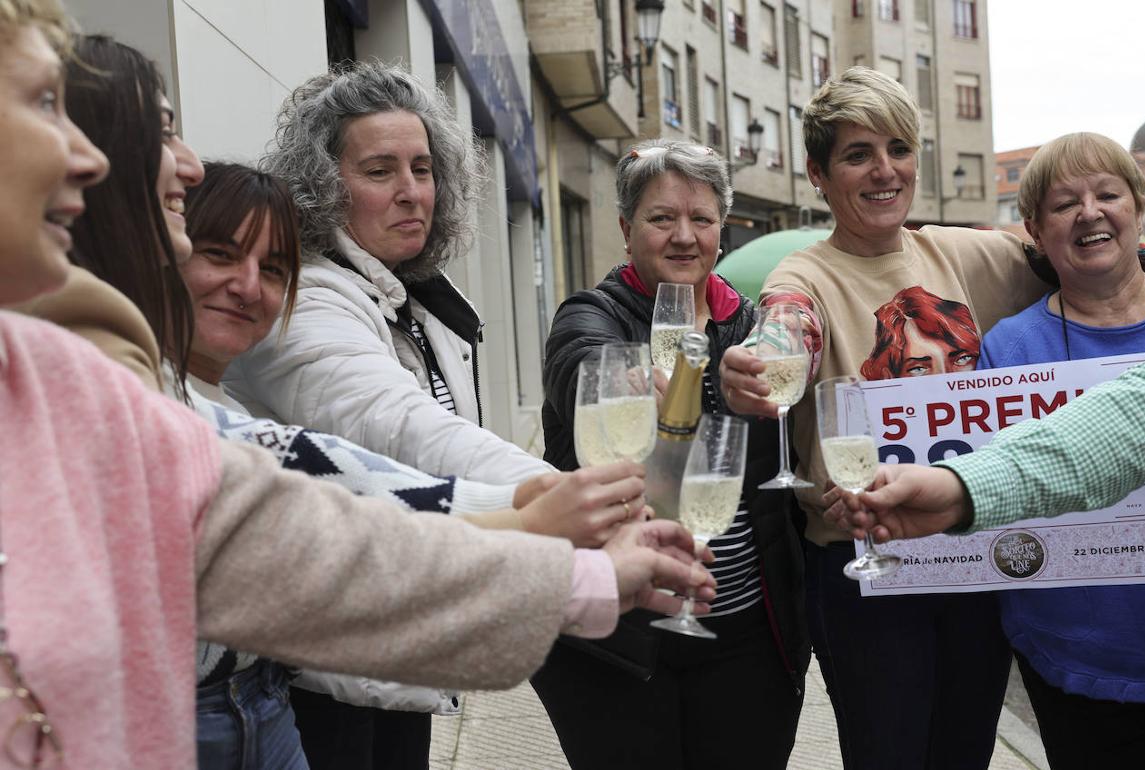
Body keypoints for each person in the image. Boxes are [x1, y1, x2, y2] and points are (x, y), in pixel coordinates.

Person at [0, 3, 716, 767]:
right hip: (312, 682)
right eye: (44, 104)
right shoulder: (298, 311)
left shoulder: (71, 367)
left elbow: (278, 517)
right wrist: (545, 511)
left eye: (423, 168)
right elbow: (366, 459)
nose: (188, 163)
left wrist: (555, 538)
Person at [717, 66, 1145, 769]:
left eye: (898, 149)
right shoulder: (804, 274)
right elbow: (790, 325)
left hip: (975, 561)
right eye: (856, 154)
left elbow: (1102, 244)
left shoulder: (969, 250)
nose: (884, 170)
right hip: (868, 563)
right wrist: (762, 360)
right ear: (817, 173)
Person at [218, 60, 630, 768]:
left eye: (423, 167)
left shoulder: (408, 292)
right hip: (321, 673)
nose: (413, 192)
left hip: (394, 653)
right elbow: (400, 427)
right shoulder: (308, 298)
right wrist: (553, 497)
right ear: (322, 186)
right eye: (380, 171)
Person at [972, 132, 1145, 768]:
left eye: (1107, 194)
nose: (1089, 212)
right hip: (1071, 660)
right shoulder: (1008, 349)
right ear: (1035, 231)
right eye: (1065, 203)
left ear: (1139, 209)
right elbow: (994, 486)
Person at [533, 138, 808, 769]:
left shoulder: (751, 326)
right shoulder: (589, 316)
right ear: (627, 230)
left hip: (746, 637)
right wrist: (680, 384)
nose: (684, 236)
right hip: (621, 640)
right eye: (662, 219)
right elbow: (586, 370)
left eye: (702, 219)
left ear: (721, 230)